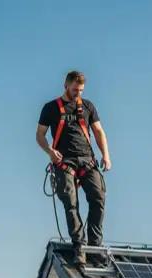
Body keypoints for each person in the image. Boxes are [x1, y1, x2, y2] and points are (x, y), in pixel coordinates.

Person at [36, 71, 111, 266]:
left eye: (81, 90)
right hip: (64, 161)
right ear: (66, 86)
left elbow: (98, 131)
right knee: (70, 202)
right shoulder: (51, 108)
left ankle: (95, 245)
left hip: (88, 160)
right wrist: (50, 151)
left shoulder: (88, 106)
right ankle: (80, 245)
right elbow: (40, 135)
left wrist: (106, 155)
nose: (78, 93)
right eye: (75, 90)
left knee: (98, 197)